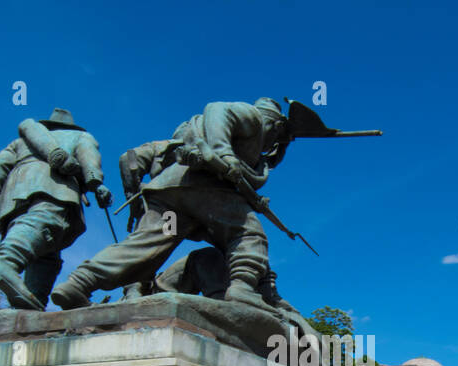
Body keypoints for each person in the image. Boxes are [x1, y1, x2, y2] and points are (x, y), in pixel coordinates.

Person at [51, 98, 289, 310]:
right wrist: (223, 153)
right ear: (275, 125)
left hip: (173, 197)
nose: (272, 146)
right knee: (248, 233)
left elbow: (256, 167)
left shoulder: (250, 147)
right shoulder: (255, 118)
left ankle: (80, 282)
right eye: (277, 139)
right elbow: (216, 109)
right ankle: (243, 290)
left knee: (148, 244)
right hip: (202, 190)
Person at [0, 108, 111, 310]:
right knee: (45, 226)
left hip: (13, 195)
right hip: (54, 188)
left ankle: (32, 300)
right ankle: (6, 262)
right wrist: (96, 184)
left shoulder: (20, 142)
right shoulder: (80, 136)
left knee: (47, 250)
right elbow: (88, 159)